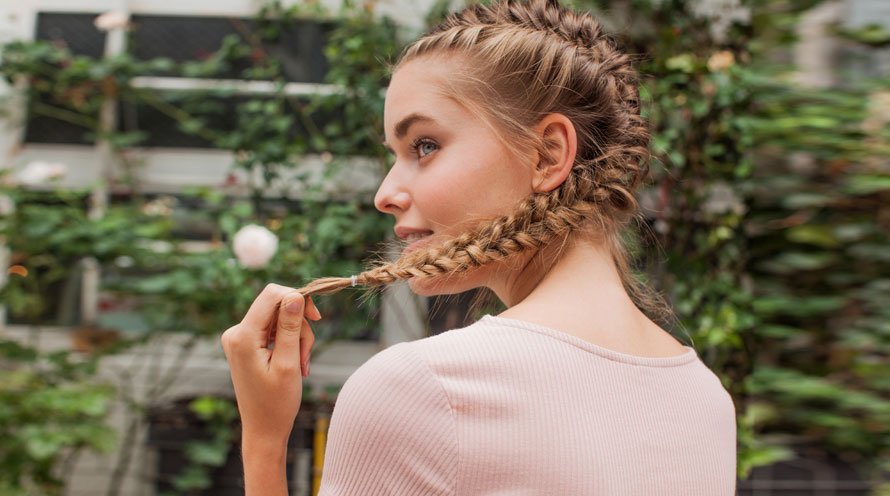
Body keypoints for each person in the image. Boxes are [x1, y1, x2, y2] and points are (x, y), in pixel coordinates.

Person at [220, 0, 738, 494]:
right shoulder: (705, 399)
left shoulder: (424, 387)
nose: (385, 194)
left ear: (548, 155)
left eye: (424, 146)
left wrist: (263, 443)